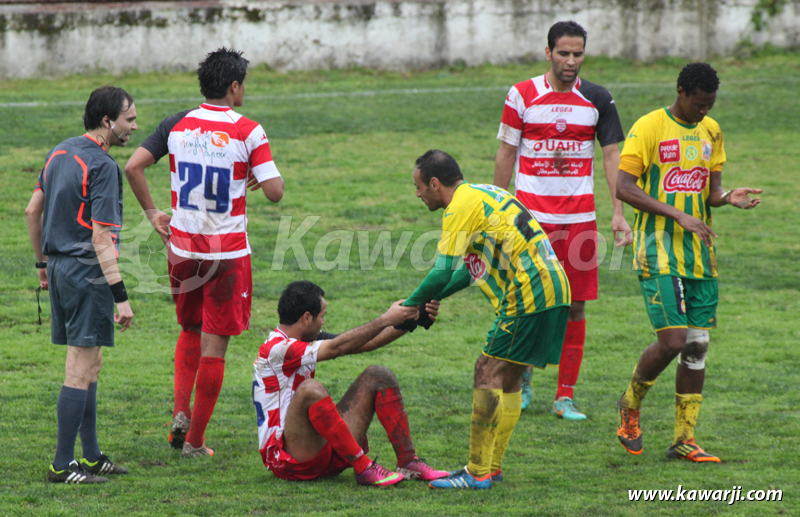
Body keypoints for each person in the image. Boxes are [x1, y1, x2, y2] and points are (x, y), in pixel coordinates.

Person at [124, 47, 284, 457]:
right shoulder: (248, 130)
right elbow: (275, 192)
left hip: (181, 249)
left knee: (189, 330)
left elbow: (133, 167)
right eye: (244, 83)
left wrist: (153, 213)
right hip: (226, 255)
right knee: (215, 345)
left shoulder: (176, 124)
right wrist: (250, 170)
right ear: (234, 86)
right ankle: (194, 441)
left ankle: (180, 410)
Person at [614, 62, 761, 462]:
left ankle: (684, 437)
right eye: (698, 104)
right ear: (681, 92)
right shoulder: (649, 127)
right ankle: (629, 404)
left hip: (699, 254)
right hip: (658, 248)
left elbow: (710, 192)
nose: (703, 112)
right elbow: (623, 188)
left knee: (696, 345)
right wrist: (676, 213)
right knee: (673, 340)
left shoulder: (711, 131)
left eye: (709, 105)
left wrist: (728, 196)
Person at [402, 150, 571, 489]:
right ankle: (490, 468)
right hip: (554, 286)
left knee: (486, 369)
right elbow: (468, 269)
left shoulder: (460, 207)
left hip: (529, 291)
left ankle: (477, 473)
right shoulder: (485, 194)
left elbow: (441, 270)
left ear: (435, 184)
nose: (417, 193)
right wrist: (433, 299)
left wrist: (409, 305)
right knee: (508, 379)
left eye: (419, 187)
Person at [494, 20, 633, 420]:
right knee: (527, 304)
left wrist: (618, 211)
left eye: (578, 54)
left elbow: (612, 157)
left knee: (574, 307)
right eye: (563, 53)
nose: (571, 61)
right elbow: (506, 153)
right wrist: (499, 210)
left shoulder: (597, 99)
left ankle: (564, 397)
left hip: (579, 222)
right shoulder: (522, 95)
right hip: (530, 220)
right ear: (548, 52)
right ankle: (521, 382)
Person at [25, 86, 137, 484]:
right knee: (79, 365)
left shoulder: (59, 151)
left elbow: (32, 210)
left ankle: (90, 456)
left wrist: (42, 264)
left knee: (92, 364)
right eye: (129, 120)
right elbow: (101, 238)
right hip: (86, 274)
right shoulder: (103, 167)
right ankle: (61, 464)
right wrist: (120, 296)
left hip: (57, 269)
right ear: (107, 122)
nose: (134, 127)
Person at [253, 281, 448, 486]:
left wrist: (410, 320)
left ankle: (408, 462)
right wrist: (384, 319)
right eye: (322, 316)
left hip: (318, 451)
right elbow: (337, 348)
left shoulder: (303, 339)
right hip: (288, 461)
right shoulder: (276, 349)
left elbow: (361, 342)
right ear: (307, 318)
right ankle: (364, 467)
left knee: (379, 375)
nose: (324, 322)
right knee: (310, 390)